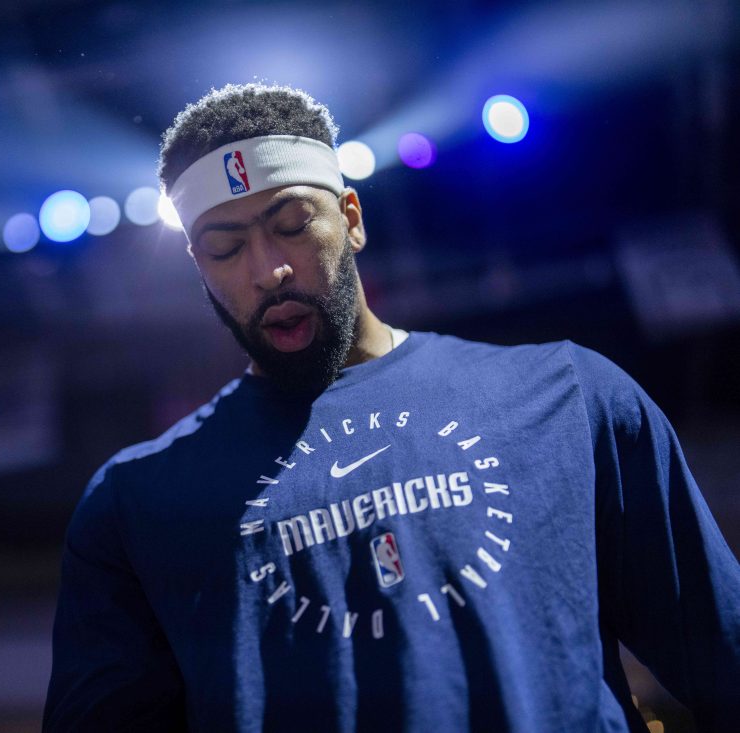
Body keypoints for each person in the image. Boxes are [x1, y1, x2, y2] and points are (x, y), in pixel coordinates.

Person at [43, 83, 740, 732]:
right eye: (224, 249)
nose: (266, 269)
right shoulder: (136, 504)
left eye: (291, 223)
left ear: (351, 218)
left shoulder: (568, 395)